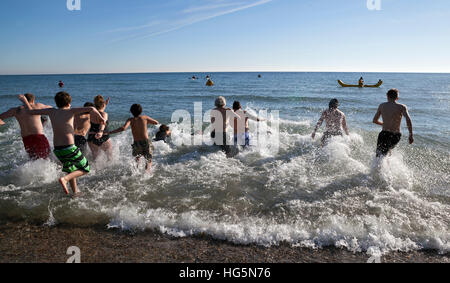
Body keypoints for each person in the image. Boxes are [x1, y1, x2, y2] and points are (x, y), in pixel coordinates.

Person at [24, 91, 105, 195]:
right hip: (69, 147)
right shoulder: (71, 111)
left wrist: (25, 101)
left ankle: (75, 192)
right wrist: (101, 118)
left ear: (57, 103)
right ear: (68, 104)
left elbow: (30, 112)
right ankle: (65, 179)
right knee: (85, 168)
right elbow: (92, 108)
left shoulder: (51, 111)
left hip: (58, 149)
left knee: (71, 169)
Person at [107, 104, 159, 173]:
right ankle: (147, 173)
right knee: (148, 159)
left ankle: (136, 172)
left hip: (136, 143)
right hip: (145, 141)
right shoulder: (144, 117)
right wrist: (146, 121)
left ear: (131, 112)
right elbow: (156, 122)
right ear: (141, 111)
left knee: (137, 158)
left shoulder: (130, 120)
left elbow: (123, 128)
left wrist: (110, 132)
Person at [0, 94, 53, 159]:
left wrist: (2, 123)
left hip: (26, 139)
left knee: (33, 160)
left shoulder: (15, 110)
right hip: (38, 137)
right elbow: (52, 109)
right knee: (47, 158)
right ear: (33, 100)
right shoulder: (37, 106)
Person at [372, 89, 413, 157]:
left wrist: (383, 124)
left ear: (387, 96)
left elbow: (374, 120)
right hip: (395, 135)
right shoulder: (402, 107)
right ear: (397, 98)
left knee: (379, 155)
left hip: (384, 134)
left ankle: (378, 167)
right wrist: (411, 134)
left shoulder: (382, 106)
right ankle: (388, 166)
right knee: (387, 152)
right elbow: (408, 120)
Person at [87, 95, 112, 160]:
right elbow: (102, 123)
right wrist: (100, 132)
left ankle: (93, 170)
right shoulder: (104, 114)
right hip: (103, 137)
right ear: (103, 105)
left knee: (95, 159)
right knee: (110, 158)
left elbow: (98, 111)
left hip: (91, 137)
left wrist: (105, 104)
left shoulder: (91, 113)